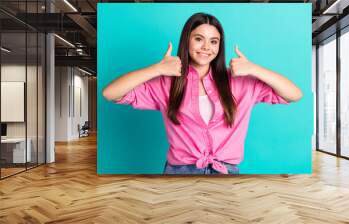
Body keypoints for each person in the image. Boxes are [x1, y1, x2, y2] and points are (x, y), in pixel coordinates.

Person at [102, 12, 303, 175]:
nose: (207, 47)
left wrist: (254, 69)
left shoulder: (241, 82)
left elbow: (294, 94)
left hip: (226, 173)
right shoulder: (167, 83)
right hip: (178, 173)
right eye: (199, 39)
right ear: (187, 41)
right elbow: (110, 93)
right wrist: (157, 69)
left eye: (214, 41)